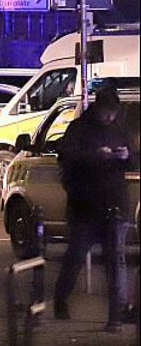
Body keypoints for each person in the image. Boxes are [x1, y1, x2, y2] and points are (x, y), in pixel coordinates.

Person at [53, 86, 134, 320]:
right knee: (77, 254)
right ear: (97, 108)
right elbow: (67, 159)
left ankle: (118, 309)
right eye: (106, 112)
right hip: (85, 205)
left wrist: (125, 156)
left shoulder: (119, 128)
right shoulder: (80, 128)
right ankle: (61, 299)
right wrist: (95, 155)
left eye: (113, 113)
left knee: (115, 259)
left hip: (114, 203)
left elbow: (133, 161)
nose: (109, 117)